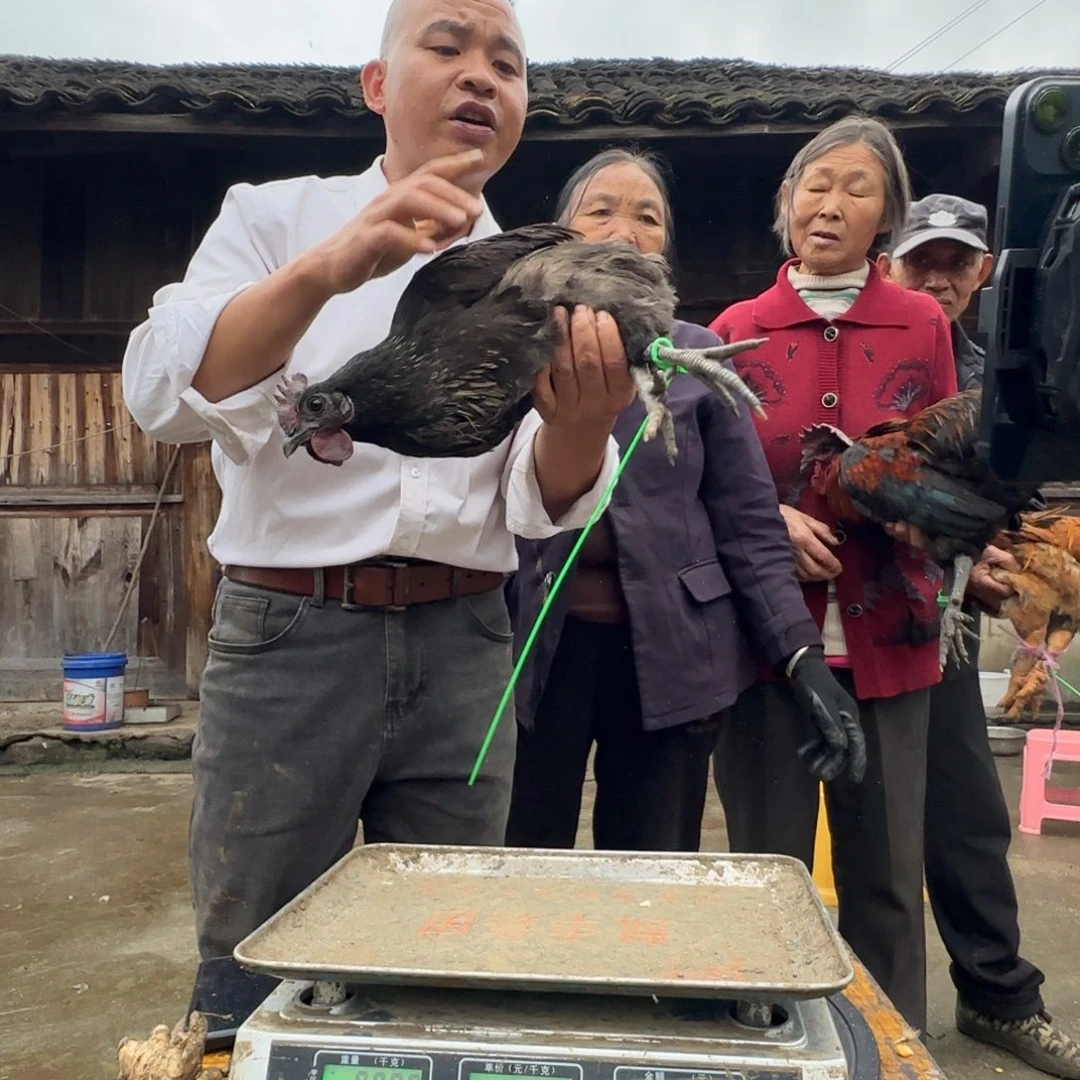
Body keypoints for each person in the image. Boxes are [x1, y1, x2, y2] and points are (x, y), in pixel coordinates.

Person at [122, 0, 637, 965]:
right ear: (376, 83)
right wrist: (331, 266)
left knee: (445, 961)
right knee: (257, 959)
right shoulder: (275, 217)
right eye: (447, 46)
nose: (480, 74)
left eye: (508, 64)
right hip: (289, 641)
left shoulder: (544, 267)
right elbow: (163, 391)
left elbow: (536, 496)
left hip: (469, 641)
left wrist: (586, 419)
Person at [504, 148, 860, 854]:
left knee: (653, 871)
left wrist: (802, 657)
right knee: (520, 860)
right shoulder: (518, 346)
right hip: (531, 642)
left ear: (665, 246)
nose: (624, 231)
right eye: (600, 210)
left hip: (674, 651)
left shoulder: (699, 358)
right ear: (562, 232)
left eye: (647, 217)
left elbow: (750, 524)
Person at [707, 115, 957, 1035]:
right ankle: (768, 1040)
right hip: (767, 644)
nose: (831, 202)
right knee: (767, 875)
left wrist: (916, 506)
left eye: (858, 187)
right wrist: (770, 519)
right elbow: (704, 483)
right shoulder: (736, 330)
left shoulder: (921, 321)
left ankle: (889, 1049)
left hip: (894, 634)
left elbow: (946, 459)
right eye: (816, 182)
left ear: (884, 215)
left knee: (887, 876)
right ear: (786, 203)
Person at [880, 193, 1080, 1079]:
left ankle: (999, 995)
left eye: (955, 262)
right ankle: (841, 1005)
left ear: (984, 272)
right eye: (921, 259)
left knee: (964, 817)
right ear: (892, 265)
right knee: (831, 829)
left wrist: (988, 561)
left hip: (946, 624)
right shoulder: (869, 346)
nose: (937, 276)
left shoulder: (1004, 375)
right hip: (825, 619)